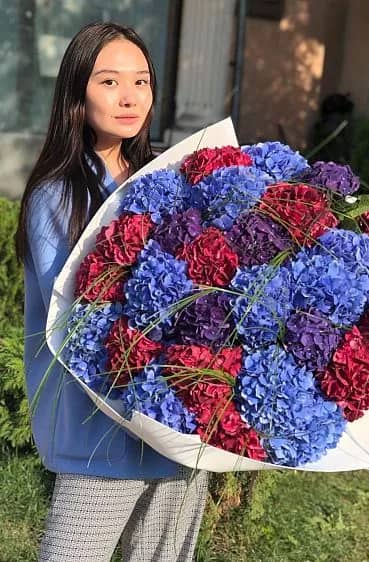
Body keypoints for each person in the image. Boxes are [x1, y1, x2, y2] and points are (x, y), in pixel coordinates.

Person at [15, 22, 209, 562]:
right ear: (76, 94)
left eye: (141, 81)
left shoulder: (170, 179)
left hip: (178, 429)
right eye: (109, 81)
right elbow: (76, 318)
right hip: (96, 431)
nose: (130, 97)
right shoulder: (58, 195)